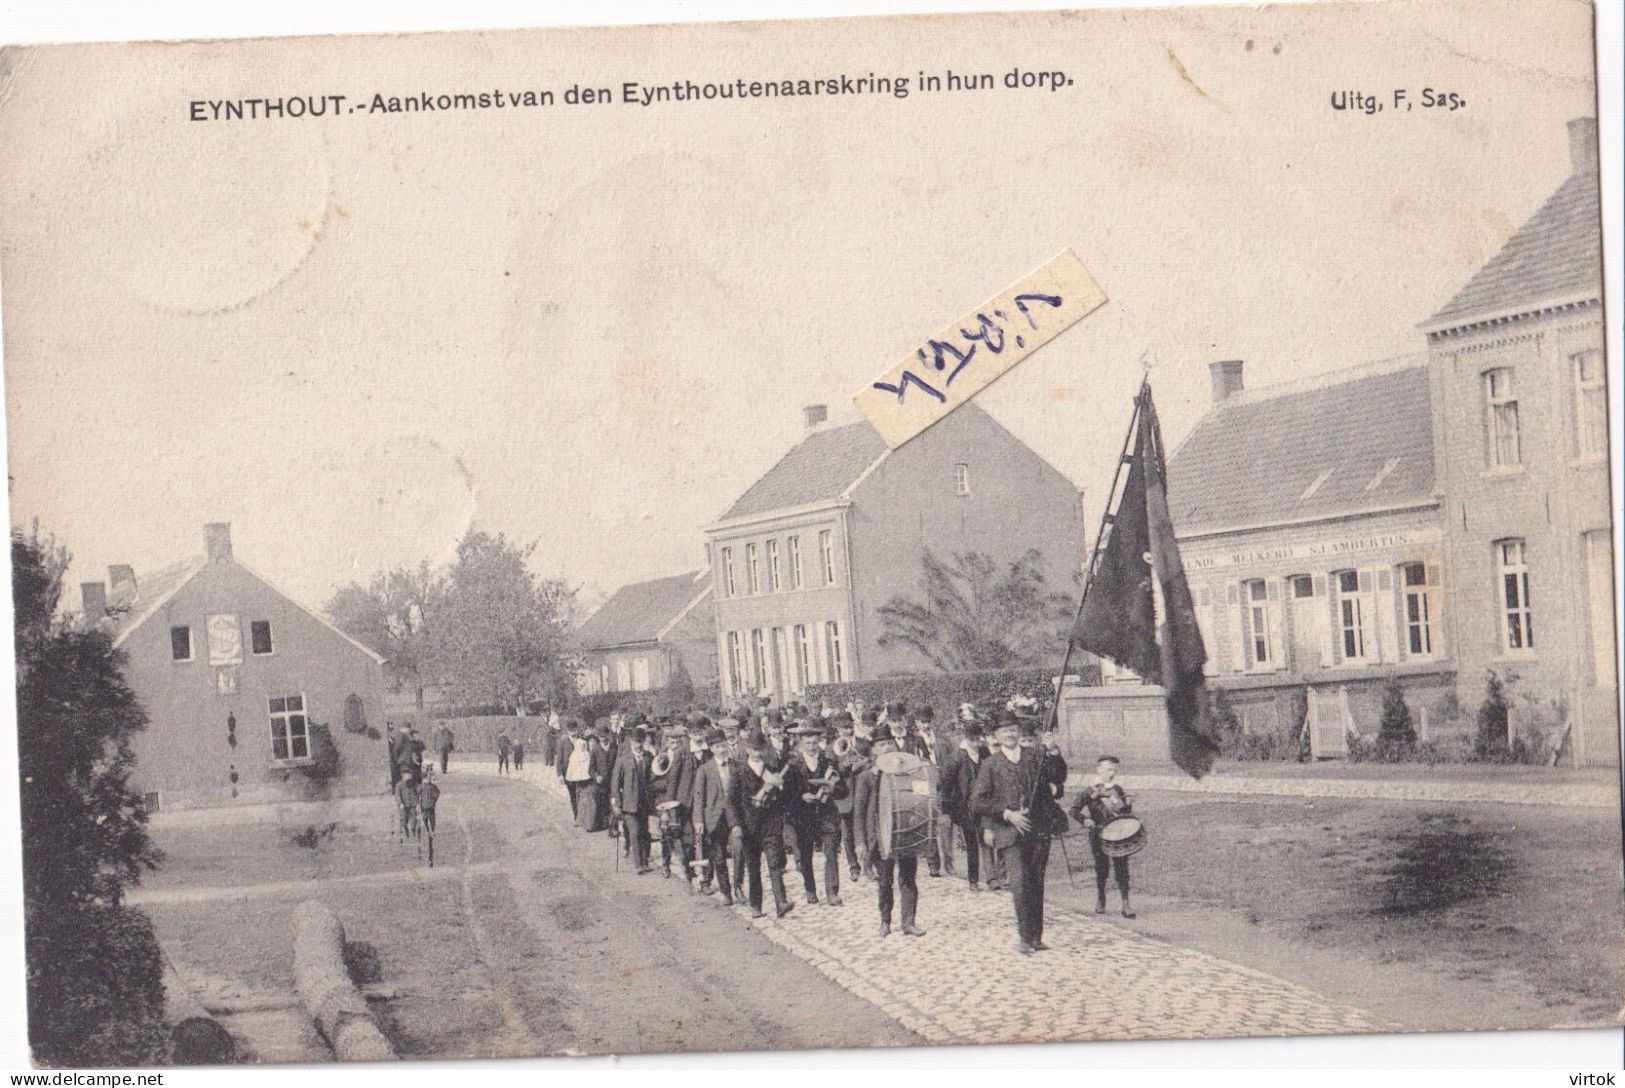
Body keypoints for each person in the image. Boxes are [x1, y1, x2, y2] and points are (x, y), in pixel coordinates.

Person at [972, 713, 1064, 954]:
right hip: (1009, 833)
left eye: (1012, 729)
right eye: (1004, 731)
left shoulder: (1034, 757)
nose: (1009, 734)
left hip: (1037, 830)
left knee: (1036, 882)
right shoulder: (990, 765)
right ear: (996, 737)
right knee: (1019, 882)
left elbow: (1056, 779)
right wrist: (1006, 814)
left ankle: (1036, 936)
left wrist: (1053, 752)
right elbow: (978, 801)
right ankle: (1024, 936)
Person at [853, 734, 925, 938]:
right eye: (881, 744)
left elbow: (919, 797)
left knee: (908, 878)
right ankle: (885, 920)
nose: (886, 747)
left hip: (905, 834)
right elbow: (858, 814)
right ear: (874, 749)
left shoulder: (906, 773)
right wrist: (860, 843)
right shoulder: (866, 777)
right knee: (885, 880)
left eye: (889, 743)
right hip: (880, 837)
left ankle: (909, 922)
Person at [785, 722, 844, 907]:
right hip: (802, 817)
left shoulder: (830, 763)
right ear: (801, 743)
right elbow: (785, 794)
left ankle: (832, 892)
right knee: (804, 855)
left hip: (826, 815)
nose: (811, 747)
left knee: (831, 851)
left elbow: (844, 791)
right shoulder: (793, 765)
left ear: (819, 742)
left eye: (814, 743)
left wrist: (833, 787)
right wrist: (801, 796)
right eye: (807, 743)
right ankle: (810, 889)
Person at [1071, 755, 1136, 917]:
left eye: (1114, 769)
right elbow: (1073, 810)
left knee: (1122, 867)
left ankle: (1125, 903)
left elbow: (1124, 813)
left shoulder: (1118, 790)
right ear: (1099, 769)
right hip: (1098, 834)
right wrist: (1085, 820)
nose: (1111, 773)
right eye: (1108, 769)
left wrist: (1128, 804)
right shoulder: (1090, 791)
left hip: (1118, 833)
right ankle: (1101, 898)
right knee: (1101, 867)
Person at [738, 733, 794, 919]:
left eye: (761, 749)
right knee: (753, 868)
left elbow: (783, 797)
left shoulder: (772, 768)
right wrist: (736, 825)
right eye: (754, 749)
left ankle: (781, 902)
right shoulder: (739, 771)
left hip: (770, 823)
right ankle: (755, 905)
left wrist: (780, 786)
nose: (758, 753)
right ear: (747, 749)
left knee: (775, 862)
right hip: (749, 826)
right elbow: (732, 801)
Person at [692, 727, 742, 904]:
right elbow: (698, 797)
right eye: (718, 747)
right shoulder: (704, 770)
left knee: (739, 850)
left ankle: (738, 886)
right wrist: (698, 820)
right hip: (714, 818)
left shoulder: (736, 766)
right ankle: (726, 892)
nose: (722, 750)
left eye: (724, 746)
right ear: (712, 749)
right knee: (719, 858)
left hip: (734, 818)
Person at [942, 718, 992, 890]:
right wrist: (948, 809)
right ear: (966, 738)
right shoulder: (956, 758)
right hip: (965, 807)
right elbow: (947, 785)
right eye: (972, 739)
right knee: (971, 843)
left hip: (984, 803)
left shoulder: (985, 753)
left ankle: (993, 877)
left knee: (988, 838)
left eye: (978, 739)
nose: (976, 743)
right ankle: (973, 880)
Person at [612, 725, 654, 872]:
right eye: (636, 741)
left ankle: (645, 861)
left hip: (645, 803)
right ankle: (638, 864)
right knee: (635, 833)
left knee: (645, 832)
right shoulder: (623, 760)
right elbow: (615, 783)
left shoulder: (649, 757)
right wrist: (616, 803)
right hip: (628, 804)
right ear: (631, 742)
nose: (639, 744)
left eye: (641, 741)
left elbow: (654, 779)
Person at [580, 728, 613, 833]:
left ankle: (610, 824)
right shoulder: (595, 749)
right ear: (599, 738)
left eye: (605, 736)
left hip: (612, 781)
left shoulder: (614, 748)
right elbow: (591, 769)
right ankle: (599, 822)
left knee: (611, 802)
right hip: (600, 782)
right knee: (599, 801)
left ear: (608, 735)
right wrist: (596, 776)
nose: (603, 739)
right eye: (601, 737)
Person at [418, 764, 441, 835]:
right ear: (423, 779)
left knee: (432, 819)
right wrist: (419, 803)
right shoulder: (421, 786)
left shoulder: (433, 786)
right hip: (423, 805)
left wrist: (434, 800)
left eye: (427, 778)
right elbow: (418, 793)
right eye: (425, 779)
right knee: (424, 818)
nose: (426, 780)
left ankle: (433, 830)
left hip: (431, 805)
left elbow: (438, 792)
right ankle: (427, 830)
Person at [385, 722, 403, 794]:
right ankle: (394, 789)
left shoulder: (394, 737)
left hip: (394, 757)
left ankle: (396, 790)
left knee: (396, 773)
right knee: (394, 774)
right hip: (391, 757)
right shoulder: (387, 738)